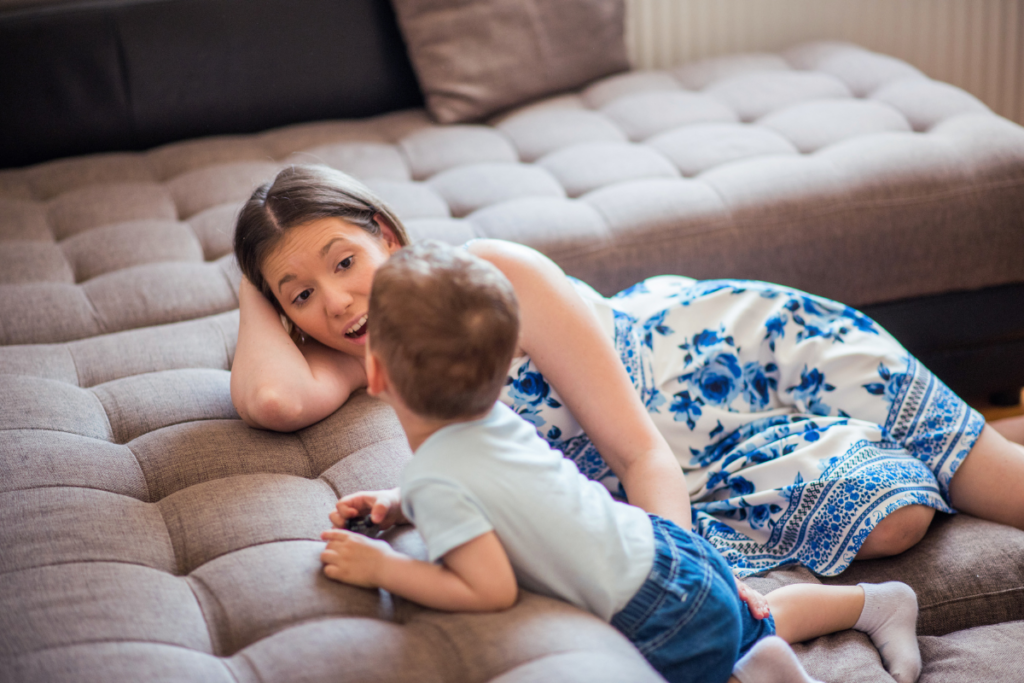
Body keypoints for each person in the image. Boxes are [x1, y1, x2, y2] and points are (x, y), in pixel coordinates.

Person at [231, 164, 1024, 579]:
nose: (337, 301)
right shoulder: (361, 350)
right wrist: (254, 278)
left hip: (744, 357)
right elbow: (271, 396)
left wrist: (676, 577)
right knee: (894, 519)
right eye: (301, 294)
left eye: (346, 261)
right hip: (700, 461)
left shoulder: (491, 275)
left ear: (387, 235)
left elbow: (639, 453)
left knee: (1000, 483)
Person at [317, 241, 922, 683]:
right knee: (747, 628)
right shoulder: (495, 420)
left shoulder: (436, 472)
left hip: (655, 609)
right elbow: (491, 486)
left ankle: (794, 648)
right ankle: (870, 606)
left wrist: (382, 570)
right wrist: (401, 505)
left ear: (374, 374)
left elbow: (489, 588)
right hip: (668, 543)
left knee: (711, 652)